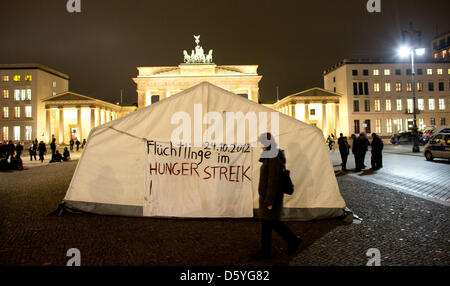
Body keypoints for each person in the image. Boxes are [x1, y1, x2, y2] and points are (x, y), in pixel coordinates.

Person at [252, 133, 302, 259]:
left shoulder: (273, 157)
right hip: (267, 197)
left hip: (270, 198)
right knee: (269, 224)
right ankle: (268, 250)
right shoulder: (270, 155)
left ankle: (290, 241)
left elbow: (273, 181)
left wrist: (269, 201)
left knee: (271, 223)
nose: (261, 145)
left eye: (263, 142)